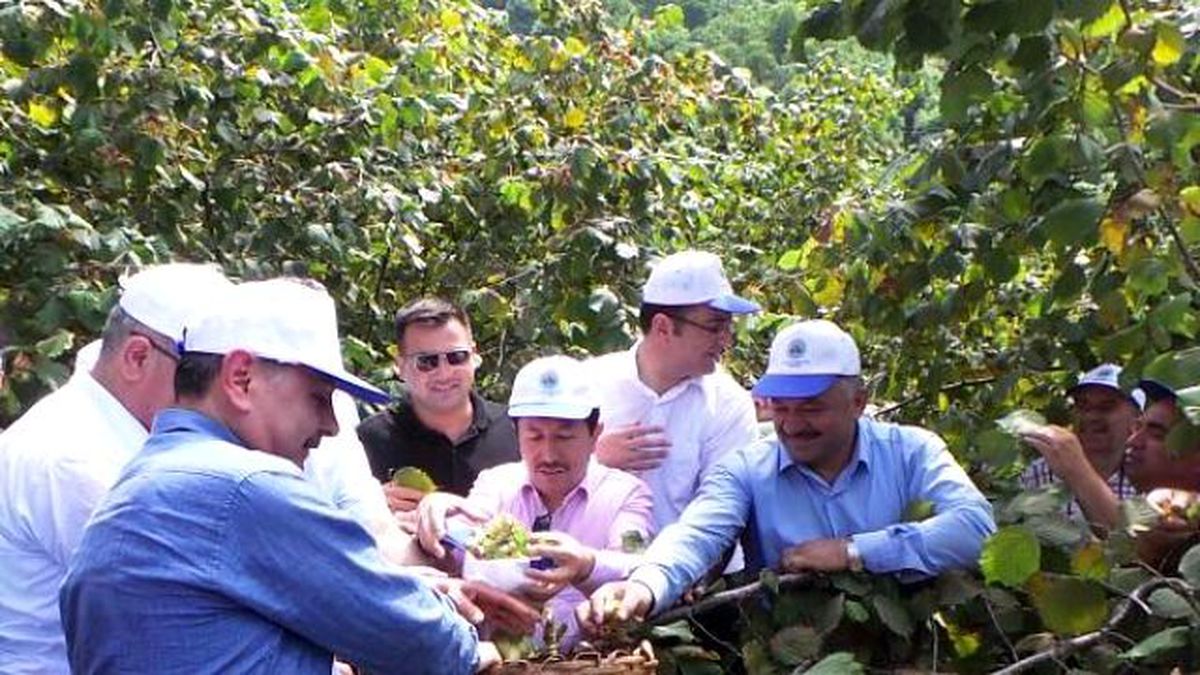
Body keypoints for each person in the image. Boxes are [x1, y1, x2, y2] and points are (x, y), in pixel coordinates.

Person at [59, 279, 518, 674]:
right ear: (241, 378)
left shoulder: (143, 480)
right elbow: (420, 642)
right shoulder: (245, 487)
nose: (331, 426)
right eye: (319, 398)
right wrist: (468, 644)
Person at [578, 320, 996, 625]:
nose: (793, 424)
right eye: (781, 407)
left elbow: (975, 527)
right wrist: (644, 586)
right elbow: (697, 534)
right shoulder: (747, 470)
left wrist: (853, 552)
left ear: (858, 402)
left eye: (811, 408)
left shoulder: (911, 452)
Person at [0, 263, 233, 674]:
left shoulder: (122, 432)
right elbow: (179, 612)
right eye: (202, 374)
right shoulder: (73, 456)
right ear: (136, 357)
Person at [415, 355, 654, 648]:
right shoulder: (496, 484)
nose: (549, 454)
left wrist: (586, 565)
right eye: (534, 437)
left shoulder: (626, 494)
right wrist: (436, 521)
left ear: (595, 434)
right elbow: (463, 540)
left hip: (589, 661)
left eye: (564, 437)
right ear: (516, 434)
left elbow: (637, 564)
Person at [587, 250, 760, 537]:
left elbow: (723, 510)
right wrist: (592, 461)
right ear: (663, 327)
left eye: (728, 327)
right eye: (715, 327)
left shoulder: (727, 404)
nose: (727, 340)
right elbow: (532, 485)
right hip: (583, 561)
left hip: (688, 563)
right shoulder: (588, 385)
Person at [358, 298, 518, 513]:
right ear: (400, 366)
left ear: (474, 355)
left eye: (456, 357)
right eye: (426, 361)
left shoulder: (518, 430)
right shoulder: (367, 442)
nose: (444, 373)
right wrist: (367, 504)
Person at [1019, 363, 1142, 518]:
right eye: (1082, 405)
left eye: (1106, 407)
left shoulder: (1149, 478)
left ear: (1137, 422)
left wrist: (1078, 473)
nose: (1090, 416)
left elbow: (1134, 532)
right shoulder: (1037, 474)